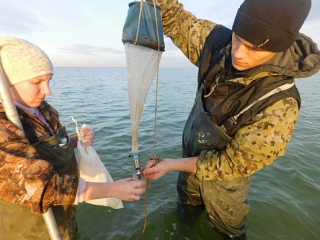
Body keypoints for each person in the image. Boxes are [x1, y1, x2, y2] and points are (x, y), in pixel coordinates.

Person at [143, 0, 320, 238]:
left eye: (255, 48)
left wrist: (170, 164)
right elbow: (175, 18)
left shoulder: (280, 104)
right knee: (185, 212)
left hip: (226, 187)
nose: (238, 54)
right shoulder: (218, 44)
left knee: (229, 231)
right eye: (238, 38)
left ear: (279, 48)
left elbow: (232, 163)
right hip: (189, 172)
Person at [0, 37, 146, 240]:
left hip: (64, 218)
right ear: (7, 81)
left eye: (48, 80)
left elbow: (49, 146)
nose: (47, 90)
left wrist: (75, 141)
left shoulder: (45, 110)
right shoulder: (4, 124)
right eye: (37, 82)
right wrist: (111, 189)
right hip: (31, 231)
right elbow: (39, 187)